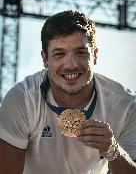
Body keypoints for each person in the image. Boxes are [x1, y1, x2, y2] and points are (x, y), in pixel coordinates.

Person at [0, 10, 136, 174]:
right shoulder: (22, 99)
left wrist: (113, 150)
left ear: (94, 55)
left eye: (80, 53)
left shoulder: (126, 106)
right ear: (45, 59)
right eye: (59, 54)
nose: (71, 64)